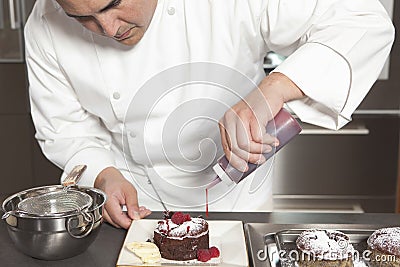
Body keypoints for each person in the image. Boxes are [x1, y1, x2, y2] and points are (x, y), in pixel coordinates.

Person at [25, 0, 394, 229]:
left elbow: (362, 21)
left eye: (114, 4)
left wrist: (274, 88)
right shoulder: (44, 25)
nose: (109, 29)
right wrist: (103, 175)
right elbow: (66, 130)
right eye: (82, 18)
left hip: (240, 206)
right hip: (134, 211)